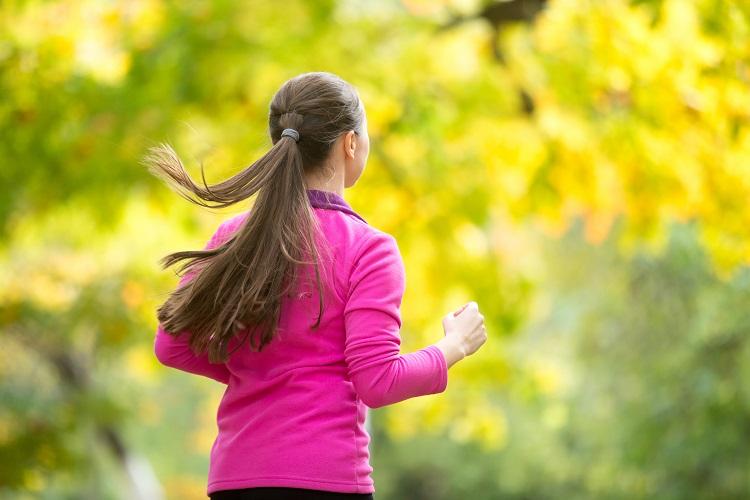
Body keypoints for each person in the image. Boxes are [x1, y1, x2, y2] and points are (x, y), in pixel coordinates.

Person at [144, 71, 488, 500]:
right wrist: (453, 346)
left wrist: (256, 370)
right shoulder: (369, 248)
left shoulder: (235, 234)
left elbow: (171, 345)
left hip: (237, 478)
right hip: (327, 479)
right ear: (349, 143)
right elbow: (377, 381)